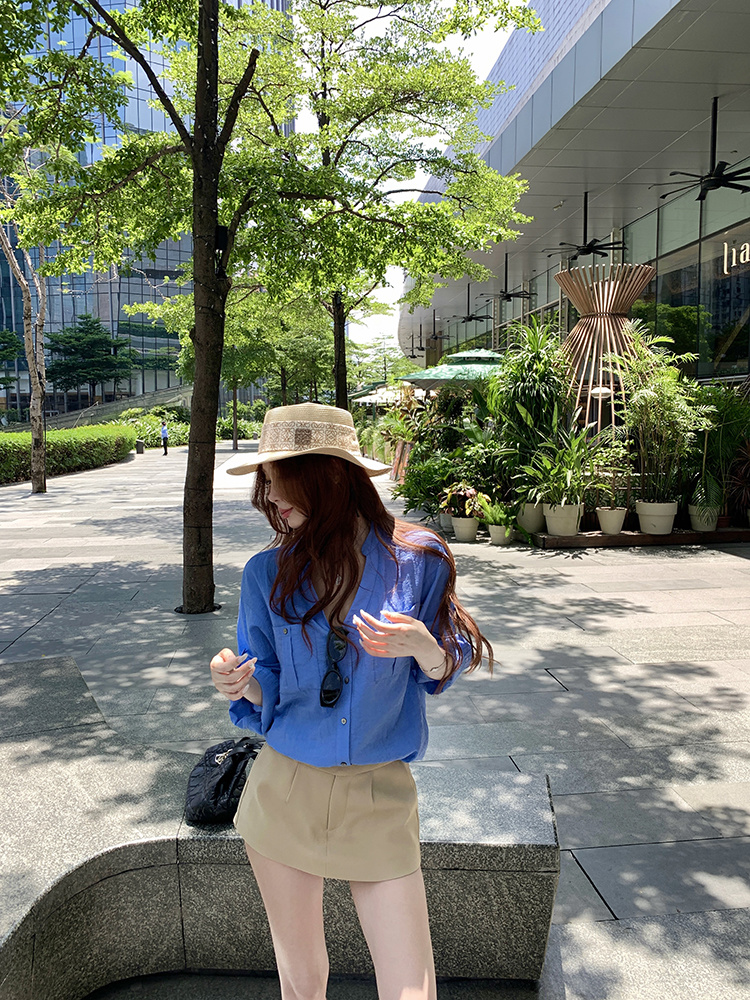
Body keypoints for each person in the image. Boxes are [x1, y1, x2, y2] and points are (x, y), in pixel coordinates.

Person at [209, 402, 492, 1000]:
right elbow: (269, 686)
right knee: (302, 980)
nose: (270, 498)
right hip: (284, 791)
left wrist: (424, 648)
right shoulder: (267, 573)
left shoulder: (420, 560)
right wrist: (239, 682)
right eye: (266, 482)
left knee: (411, 989)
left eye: (280, 480)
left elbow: (449, 660)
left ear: (328, 476)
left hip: (377, 794)